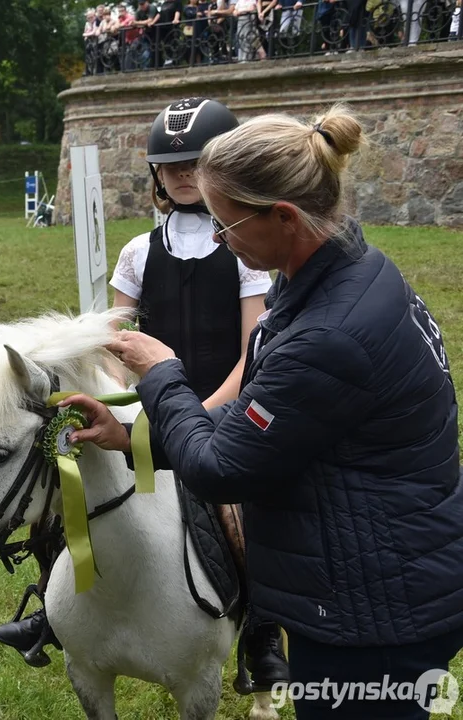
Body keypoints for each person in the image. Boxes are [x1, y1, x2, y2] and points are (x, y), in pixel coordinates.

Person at [66, 104, 463, 719]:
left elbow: (223, 469)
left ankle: (255, 638)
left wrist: (163, 373)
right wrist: (131, 438)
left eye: (228, 226)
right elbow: (270, 416)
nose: (221, 240)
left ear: (282, 216)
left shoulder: (329, 333)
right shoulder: (345, 273)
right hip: (387, 576)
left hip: (371, 615)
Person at [0, 99, 287, 692]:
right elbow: (114, 344)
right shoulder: (137, 252)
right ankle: (50, 613)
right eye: (170, 164)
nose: (182, 174)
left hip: (221, 407)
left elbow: (249, 352)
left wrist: (195, 418)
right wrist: (124, 402)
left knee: (250, 515)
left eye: (195, 162)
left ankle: (261, 632)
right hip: (145, 407)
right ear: (156, 173)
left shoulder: (246, 257)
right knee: (68, 490)